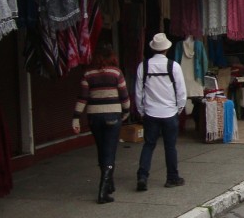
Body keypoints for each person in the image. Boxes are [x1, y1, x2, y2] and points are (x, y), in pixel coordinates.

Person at [73, 44, 130, 204]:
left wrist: (76, 118)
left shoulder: (88, 74)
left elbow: (82, 97)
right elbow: (124, 96)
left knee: (101, 149)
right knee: (110, 151)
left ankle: (109, 184)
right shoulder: (116, 73)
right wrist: (126, 112)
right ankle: (103, 191)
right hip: (113, 114)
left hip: (94, 117)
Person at [134, 33, 187, 191]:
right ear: (167, 49)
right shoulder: (174, 66)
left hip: (150, 113)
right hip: (170, 112)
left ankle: (142, 176)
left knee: (148, 145)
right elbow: (181, 92)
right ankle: (172, 177)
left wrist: (141, 110)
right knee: (170, 146)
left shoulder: (143, 66)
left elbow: (138, 92)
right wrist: (178, 109)